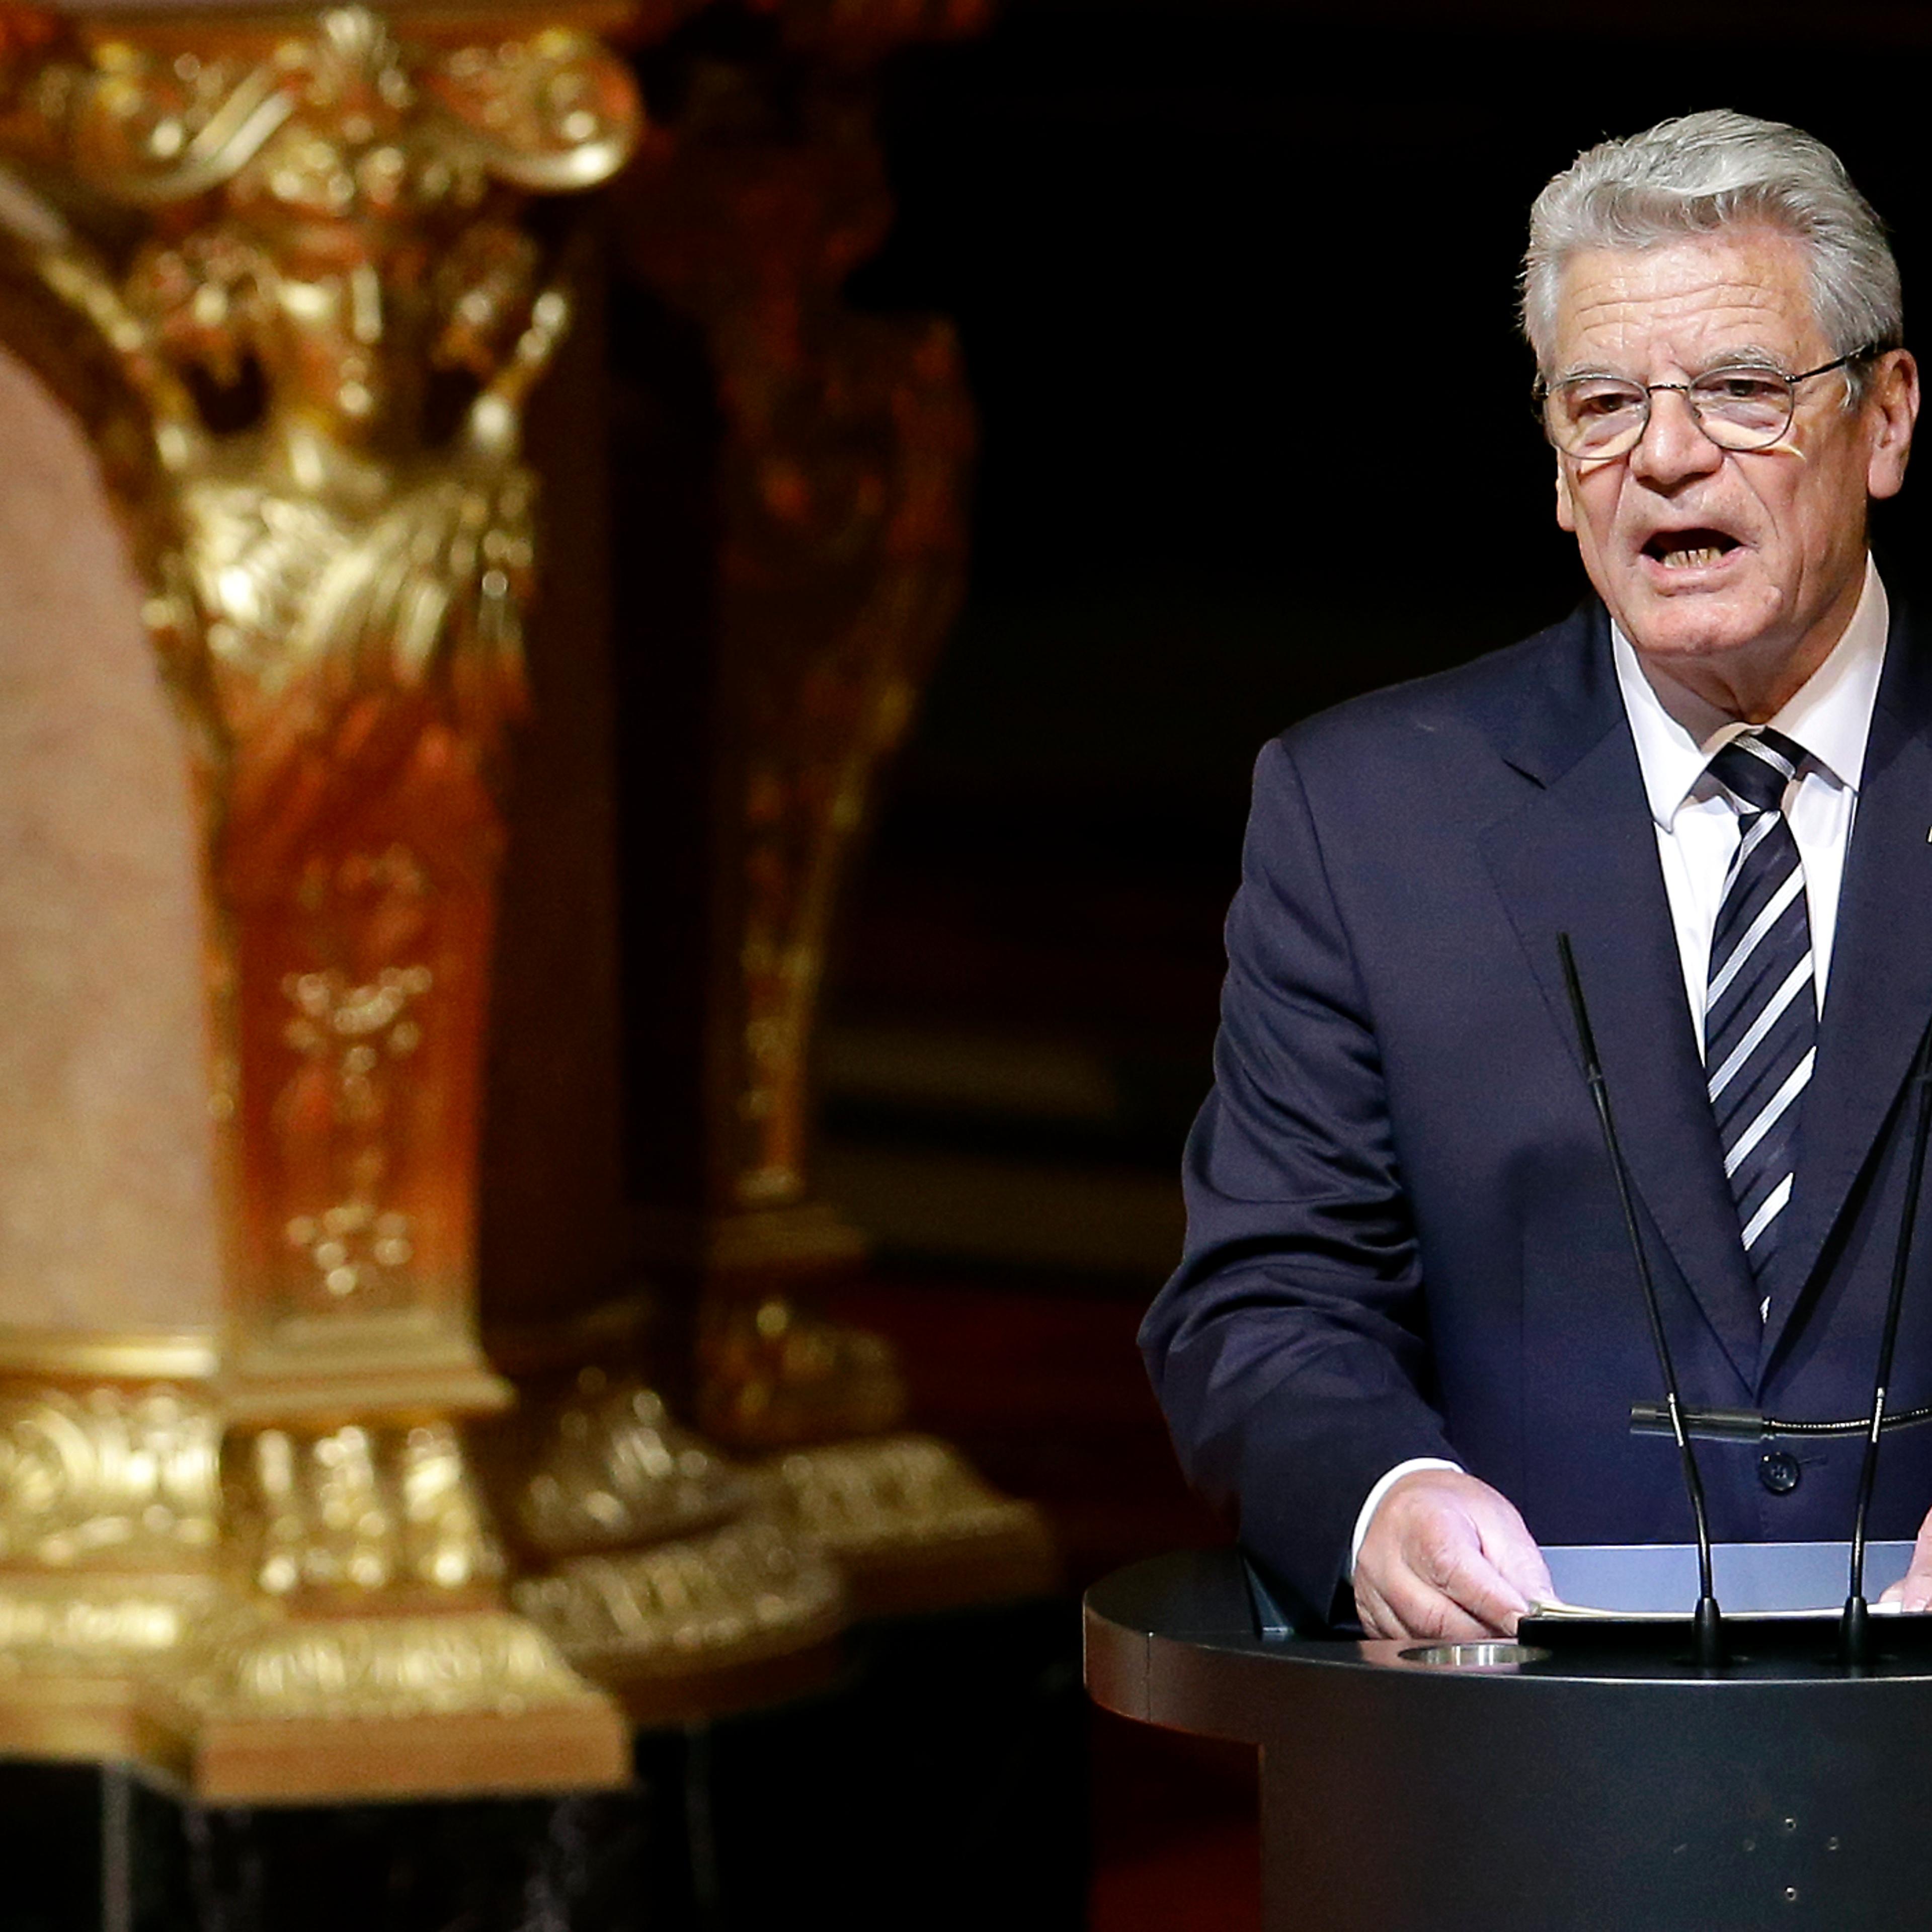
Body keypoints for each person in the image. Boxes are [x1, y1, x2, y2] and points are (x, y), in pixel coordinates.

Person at [1140, 109, 1932, 1643]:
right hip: (1534, 1763)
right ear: (1561, 464)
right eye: (1605, 404)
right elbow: (1263, 1300)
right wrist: (1382, 1492)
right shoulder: (1368, 815)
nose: (1668, 454)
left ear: (1885, 418)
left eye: (1745, 392)